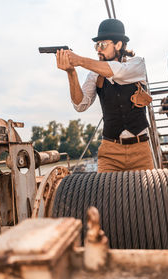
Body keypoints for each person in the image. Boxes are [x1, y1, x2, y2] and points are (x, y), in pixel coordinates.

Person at [56, 18, 154, 173]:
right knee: (105, 196)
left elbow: (115, 70)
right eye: (96, 45)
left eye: (102, 44)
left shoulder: (137, 64)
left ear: (119, 45)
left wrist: (79, 60)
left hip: (140, 150)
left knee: (147, 196)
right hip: (109, 152)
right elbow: (80, 104)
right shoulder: (94, 74)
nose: (98, 49)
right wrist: (71, 72)